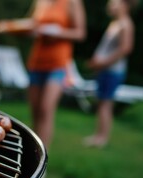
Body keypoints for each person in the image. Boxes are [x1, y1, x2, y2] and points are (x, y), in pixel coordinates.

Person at [27, 0, 86, 148]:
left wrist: (57, 32)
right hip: (36, 62)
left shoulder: (72, 2)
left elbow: (80, 33)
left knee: (46, 109)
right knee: (35, 111)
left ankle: (43, 158)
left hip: (58, 64)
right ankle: (34, 153)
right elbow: (32, 24)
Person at [84, 0, 135, 148]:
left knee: (105, 104)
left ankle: (101, 138)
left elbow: (125, 49)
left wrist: (102, 63)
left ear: (125, 5)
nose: (111, 6)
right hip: (106, 70)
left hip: (112, 71)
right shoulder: (116, 23)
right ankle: (99, 135)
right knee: (103, 103)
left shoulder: (126, 24)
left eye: (115, 3)